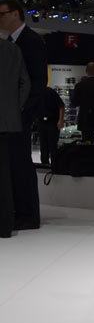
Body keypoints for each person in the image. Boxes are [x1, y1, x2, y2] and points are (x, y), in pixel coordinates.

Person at [0, 0, 47, 231]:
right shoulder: (11, 42)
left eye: (2, 14)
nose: (0, 18)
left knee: (21, 165)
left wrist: (23, 110)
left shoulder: (31, 41)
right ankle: (19, 211)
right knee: (14, 165)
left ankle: (28, 215)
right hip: (13, 115)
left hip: (21, 115)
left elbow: (38, 83)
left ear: (16, 14)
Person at [0, 39, 31, 238]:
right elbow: (25, 84)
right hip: (5, 122)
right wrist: (11, 108)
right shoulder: (12, 49)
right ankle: (4, 226)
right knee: (3, 176)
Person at [36, 87, 65, 167]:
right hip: (41, 122)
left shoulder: (50, 92)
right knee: (43, 145)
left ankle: (55, 165)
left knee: (52, 145)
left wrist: (60, 120)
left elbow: (61, 106)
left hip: (52, 122)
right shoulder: (36, 94)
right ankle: (45, 164)